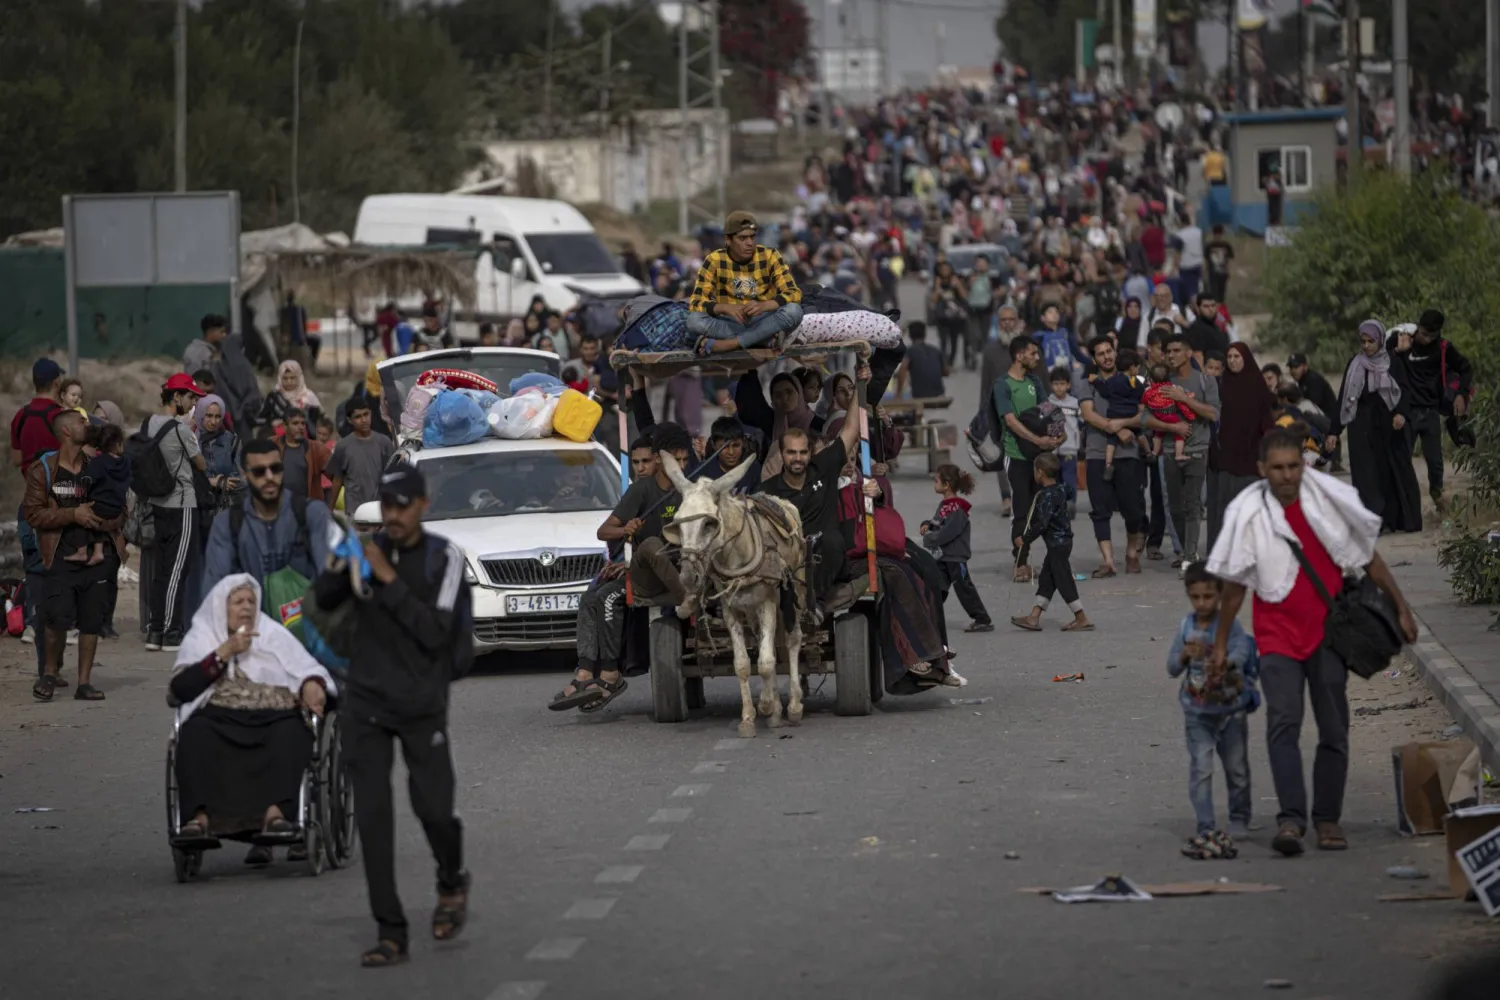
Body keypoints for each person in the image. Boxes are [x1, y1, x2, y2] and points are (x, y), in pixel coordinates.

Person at [1207, 428, 1419, 856]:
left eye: (1294, 466)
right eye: (1278, 468)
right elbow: (1234, 589)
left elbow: (1367, 558)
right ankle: (1291, 819)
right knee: (1283, 724)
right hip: (1277, 638)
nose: (1287, 475)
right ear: (1262, 470)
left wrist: (1401, 606)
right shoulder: (1249, 514)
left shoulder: (1326, 504)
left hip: (1328, 637)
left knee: (1334, 728)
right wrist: (1220, 643)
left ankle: (1327, 819)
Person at [312, 463, 473, 967]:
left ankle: (451, 880)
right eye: (387, 506)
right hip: (366, 703)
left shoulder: (444, 558)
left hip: (422, 705)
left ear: (422, 505)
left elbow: (437, 634)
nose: (395, 515)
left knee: (434, 811)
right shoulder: (367, 548)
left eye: (404, 505)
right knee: (374, 820)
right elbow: (323, 600)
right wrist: (344, 563)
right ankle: (390, 931)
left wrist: (386, 578)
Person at [168, 574, 334, 866]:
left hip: (274, 714)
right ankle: (198, 819)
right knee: (194, 733)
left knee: (293, 731)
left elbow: (309, 670)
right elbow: (180, 690)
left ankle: (276, 816)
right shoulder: (202, 638)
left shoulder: (273, 635)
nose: (246, 607)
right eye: (238, 602)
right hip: (218, 715)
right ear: (221, 607)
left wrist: (312, 684)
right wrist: (225, 651)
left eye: (251, 602)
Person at [551, 423, 695, 712]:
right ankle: (592, 673)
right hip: (648, 576)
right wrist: (625, 529)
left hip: (687, 572)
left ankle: (607, 675)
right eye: (674, 460)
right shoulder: (641, 490)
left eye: (684, 460)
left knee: (605, 596)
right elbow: (603, 532)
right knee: (596, 596)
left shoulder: (693, 490)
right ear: (660, 459)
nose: (680, 467)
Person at [25, 408, 124, 702]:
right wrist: (73, 515)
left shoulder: (99, 465)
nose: (88, 424)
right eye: (82, 421)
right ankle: (49, 673)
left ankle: (84, 683)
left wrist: (100, 521)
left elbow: (121, 509)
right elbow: (33, 514)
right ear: (66, 431)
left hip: (97, 557)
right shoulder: (43, 470)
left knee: (91, 621)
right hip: (59, 555)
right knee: (55, 617)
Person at [758, 366, 870, 602]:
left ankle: (814, 604)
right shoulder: (767, 491)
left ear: (809, 453)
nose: (797, 458)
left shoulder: (823, 468)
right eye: (791, 453)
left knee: (832, 541)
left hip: (825, 564)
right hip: (785, 571)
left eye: (802, 452)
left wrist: (860, 385)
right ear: (781, 454)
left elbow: (851, 429)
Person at [1169, 562, 1258, 855]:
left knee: (1236, 769)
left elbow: (1243, 651)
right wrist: (1184, 655)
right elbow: (1171, 667)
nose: (1202, 603)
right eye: (1195, 597)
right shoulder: (1186, 626)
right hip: (1197, 713)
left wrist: (1226, 661)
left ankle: (1239, 817)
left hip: (1231, 711)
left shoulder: (1230, 626)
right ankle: (1205, 824)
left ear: (1220, 595)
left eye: (1208, 597)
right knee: (1202, 769)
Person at [1328, 320, 1422, 534]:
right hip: (1360, 424)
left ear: (1380, 340)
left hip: (1388, 423)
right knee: (1365, 474)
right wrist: (1334, 431)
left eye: (1371, 341)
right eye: (1363, 341)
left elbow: (1404, 390)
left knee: (1388, 471)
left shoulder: (1392, 362)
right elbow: (1344, 397)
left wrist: (1401, 413)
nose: (1366, 346)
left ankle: (1393, 518)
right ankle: (1373, 519)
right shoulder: (1355, 364)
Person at [203, 438, 333, 587]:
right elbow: (214, 587)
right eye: (259, 472)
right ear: (245, 475)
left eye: (276, 468)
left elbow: (330, 574)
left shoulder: (313, 513)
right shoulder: (226, 523)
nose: (269, 477)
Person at [145, 374, 209, 652]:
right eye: (191, 397)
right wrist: (192, 432)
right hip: (182, 504)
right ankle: (171, 632)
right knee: (178, 570)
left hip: (157, 502)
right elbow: (201, 464)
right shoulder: (182, 429)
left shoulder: (149, 423)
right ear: (176, 397)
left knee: (161, 569)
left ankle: (154, 630)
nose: (194, 403)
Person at [1388, 309, 1473, 514]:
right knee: (1402, 459)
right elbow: (1379, 361)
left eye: (1431, 336)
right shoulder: (1402, 339)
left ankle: (1437, 496)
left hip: (1430, 411)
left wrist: (1461, 394)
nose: (1426, 339)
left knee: (1435, 462)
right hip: (1406, 412)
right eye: (1424, 334)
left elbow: (1466, 368)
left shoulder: (1443, 348)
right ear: (1418, 327)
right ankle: (1401, 503)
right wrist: (1397, 351)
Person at [686, 210, 804, 355]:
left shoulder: (770, 256)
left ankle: (731, 344)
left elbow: (794, 293)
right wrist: (723, 308)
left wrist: (765, 305)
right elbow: (696, 302)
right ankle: (762, 340)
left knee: (794, 311)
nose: (749, 243)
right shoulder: (714, 260)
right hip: (730, 322)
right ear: (728, 240)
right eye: (742, 238)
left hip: (763, 319)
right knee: (693, 321)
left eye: (752, 237)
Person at [1079, 336, 1149, 577]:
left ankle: (1131, 553)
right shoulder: (1088, 383)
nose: (1107, 357)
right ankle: (1108, 561)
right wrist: (1116, 429)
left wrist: (1123, 424)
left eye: (1109, 351)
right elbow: (1088, 415)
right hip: (1097, 453)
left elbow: (1144, 415)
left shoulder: (1134, 379)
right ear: (1094, 359)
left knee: (1133, 507)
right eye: (1101, 353)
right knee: (1100, 509)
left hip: (1128, 453)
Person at [994, 336, 1060, 583]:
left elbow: (1049, 410)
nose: (1037, 358)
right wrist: (1038, 440)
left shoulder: (1035, 382)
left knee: (1047, 509)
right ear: (1019, 355)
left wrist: (1059, 434)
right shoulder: (1003, 385)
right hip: (1017, 456)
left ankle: (1055, 561)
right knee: (1022, 511)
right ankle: (1020, 562)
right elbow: (1010, 420)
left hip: (1040, 458)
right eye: (1033, 353)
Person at [1154, 333, 1220, 567]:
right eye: (1168, 351)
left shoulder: (1205, 381)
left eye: (1176, 350)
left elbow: (1213, 414)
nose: (1171, 355)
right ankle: (1185, 550)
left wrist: (1184, 398)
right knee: (1175, 507)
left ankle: (1190, 556)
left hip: (1198, 449)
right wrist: (1171, 426)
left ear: (1188, 353)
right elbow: (1146, 417)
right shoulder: (1162, 382)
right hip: (1170, 451)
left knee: (1193, 504)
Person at [1008, 453, 1091, 633]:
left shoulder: (1044, 496)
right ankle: (1034, 617)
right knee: (1047, 580)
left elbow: (1042, 524)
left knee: (1063, 580)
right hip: (1064, 542)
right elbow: (1070, 492)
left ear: (1040, 473)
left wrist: (1025, 539)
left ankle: (1081, 617)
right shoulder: (1061, 489)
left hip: (1056, 544)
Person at [1207, 343, 1276, 552]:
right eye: (1229, 357)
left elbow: (1267, 422)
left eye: (1237, 356)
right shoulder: (1222, 386)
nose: (1233, 361)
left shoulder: (1257, 386)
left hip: (1251, 459)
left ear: (1245, 358)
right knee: (1223, 509)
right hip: (1225, 458)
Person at [920, 464, 992, 632]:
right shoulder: (945, 504)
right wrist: (927, 524)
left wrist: (929, 539)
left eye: (936, 481)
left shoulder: (957, 508)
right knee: (938, 586)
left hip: (955, 556)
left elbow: (948, 532)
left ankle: (982, 618)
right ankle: (928, 615)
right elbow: (938, 523)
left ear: (947, 485)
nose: (934, 484)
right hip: (942, 556)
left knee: (964, 588)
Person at [57, 423, 128, 567]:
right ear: (118, 443)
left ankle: (82, 551)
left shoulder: (98, 463)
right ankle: (98, 552)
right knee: (99, 511)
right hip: (116, 507)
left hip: (99, 508)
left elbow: (85, 483)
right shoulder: (125, 462)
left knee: (80, 510)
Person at [327, 397, 395, 518]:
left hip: (380, 508)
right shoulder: (343, 446)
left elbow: (393, 475)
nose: (364, 420)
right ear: (349, 420)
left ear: (371, 413)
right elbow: (337, 479)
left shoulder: (384, 443)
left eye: (366, 414)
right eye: (358, 417)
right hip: (355, 510)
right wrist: (330, 509)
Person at [1098, 351, 1146, 479]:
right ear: (1132, 367)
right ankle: (1148, 452)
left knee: (1111, 443)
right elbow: (1141, 398)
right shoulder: (1136, 383)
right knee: (1140, 434)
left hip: (1115, 415)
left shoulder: (1112, 381)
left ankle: (1108, 464)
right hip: (1131, 415)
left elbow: (1104, 392)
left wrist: (1096, 382)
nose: (1138, 370)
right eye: (1137, 367)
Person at [194, 394, 244, 515]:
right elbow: (186, 480)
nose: (213, 421)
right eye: (209, 415)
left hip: (225, 509)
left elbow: (242, 478)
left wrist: (223, 482)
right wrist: (210, 482)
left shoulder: (232, 441)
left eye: (218, 416)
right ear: (200, 415)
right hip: (198, 509)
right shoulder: (191, 441)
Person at [1142, 360, 1194, 464]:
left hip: (1157, 416)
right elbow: (1181, 401)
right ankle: (1178, 454)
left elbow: (1144, 401)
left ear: (1152, 378)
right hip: (1171, 416)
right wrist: (1190, 413)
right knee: (1179, 435)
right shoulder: (1172, 388)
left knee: (1158, 434)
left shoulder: (1148, 391)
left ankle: (1154, 452)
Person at [277, 408, 331, 504]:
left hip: (307, 506)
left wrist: (330, 506)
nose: (301, 427)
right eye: (295, 423)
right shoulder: (273, 444)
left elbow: (337, 476)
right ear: (285, 426)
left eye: (303, 423)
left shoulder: (317, 449)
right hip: (279, 505)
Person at [1044, 366, 1081, 498]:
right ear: (1051, 385)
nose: (1059, 387)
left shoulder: (1075, 403)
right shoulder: (1047, 403)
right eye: (1056, 384)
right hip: (1052, 448)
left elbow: (1081, 423)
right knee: (1054, 478)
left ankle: (1070, 502)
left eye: (1062, 384)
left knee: (1069, 476)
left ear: (1068, 385)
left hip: (1069, 447)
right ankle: (1056, 503)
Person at [260, 360, 323, 431]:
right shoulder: (274, 396)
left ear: (299, 377)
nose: (289, 382)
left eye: (292, 378)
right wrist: (272, 422)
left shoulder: (308, 396)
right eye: (285, 378)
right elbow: (261, 418)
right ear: (280, 378)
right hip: (278, 435)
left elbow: (320, 421)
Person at [929, 259, 969, 365]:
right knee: (943, 340)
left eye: (947, 269)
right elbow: (934, 301)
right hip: (942, 316)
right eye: (943, 269)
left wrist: (958, 285)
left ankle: (951, 360)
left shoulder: (956, 281)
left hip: (955, 316)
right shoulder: (937, 282)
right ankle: (943, 361)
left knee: (954, 340)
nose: (945, 271)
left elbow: (964, 297)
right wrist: (937, 287)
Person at [901, 321, 949, 399]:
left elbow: (902, 369)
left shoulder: (910, 351)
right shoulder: (936, 350)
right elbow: (946, 373)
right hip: (939, 394)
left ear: (910, 336)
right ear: (925, 335)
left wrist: (898, 394)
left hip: (919, 395)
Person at [1170, 210, 1205, 305]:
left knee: (1190, 292)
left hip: (1186, 266)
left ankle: (1196, 309)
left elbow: (1178, 253)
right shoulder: (1199, 232)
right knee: (1198, 289)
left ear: (1180, 222)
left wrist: (1174, 268)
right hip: (1198, 264)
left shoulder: (1179, 235)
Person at [1184, 293, 1230, 365]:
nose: (1211, 309)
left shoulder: (1217, 328)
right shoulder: (1196, 329)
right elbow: (1197, 357)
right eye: (1206, 306)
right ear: (1198, 308)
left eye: (1213, 305)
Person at [1204, 225, 1234, 302]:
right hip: (1213, 273)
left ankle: (1221, 306)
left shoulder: (1226, 246)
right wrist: (1206, 272)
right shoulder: (1209, 246)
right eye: (1216, 235)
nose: (1217, 237)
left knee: (1222, 293)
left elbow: (1229, 259)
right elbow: (1206, 260)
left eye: (1219, 235)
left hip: (1223, 272)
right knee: (1214, 293)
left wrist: (1229, 270)